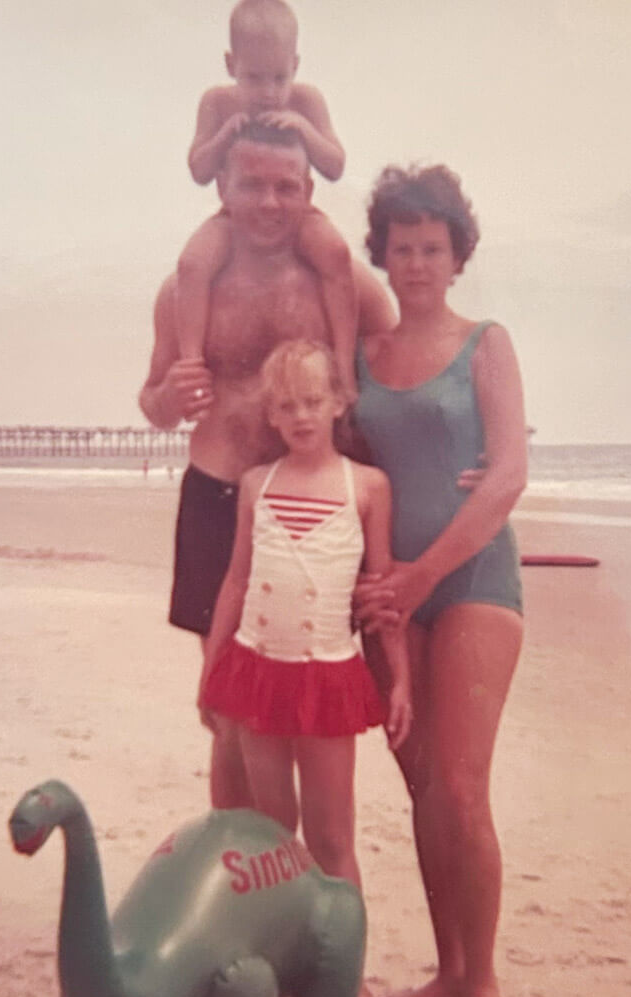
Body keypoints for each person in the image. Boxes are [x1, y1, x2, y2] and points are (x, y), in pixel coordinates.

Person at [138, 120, 396, 813]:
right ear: (222, 188)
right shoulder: (184, 291)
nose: (270, 202)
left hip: (313, 508)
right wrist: (168, 398)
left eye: (287, 187)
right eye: (251, 184)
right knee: (230, 712)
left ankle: (292, 876)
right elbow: (152, 400)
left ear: (310, 190)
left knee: (307, 698)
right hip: (220, 494)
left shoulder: (336, 284)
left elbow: (401, 360)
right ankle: (238, 872)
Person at [353, 164, 529, 997]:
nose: (416, 262)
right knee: (422, 786)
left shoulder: (485, 343)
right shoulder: (362, 358)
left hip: (471, 584)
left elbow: (506, 477)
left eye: (433, 247)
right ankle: (447, 970)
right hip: (389, 602)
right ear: (380, 255)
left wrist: (423, 575)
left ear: (457, 256)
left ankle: (487, 983)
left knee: (462, 789)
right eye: (401, 247)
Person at [198, 339, 411, 892]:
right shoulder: (256, 485)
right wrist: (210, 671)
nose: (301, 415)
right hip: (255, 670)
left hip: (327, 675)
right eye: (287, 405)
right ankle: (283, 951)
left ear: (339, 403)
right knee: (272, 831)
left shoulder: (366, 486)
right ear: (271, 414)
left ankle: (343, 974)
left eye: (313, 401)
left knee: (332, 838)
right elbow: (237, 581)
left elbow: (381, 591)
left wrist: (401, 677)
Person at [177, 0, 357, 396]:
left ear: (295, 65)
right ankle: (192, 367)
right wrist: (224, 135)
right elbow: (199, 170)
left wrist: (305, 130)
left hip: (299, 209)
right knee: (191, 264)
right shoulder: (217, 102)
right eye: (254, 78)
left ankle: (344, 365)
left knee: (337, 255)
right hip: (234, 213)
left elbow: (335, 165)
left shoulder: (306, 100)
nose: (269, 92)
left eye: (279, 78)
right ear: (230, 65)